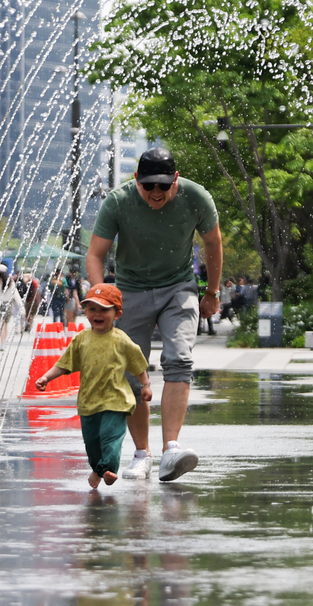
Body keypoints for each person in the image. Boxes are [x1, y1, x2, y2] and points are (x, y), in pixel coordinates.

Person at [87, 147, 221, 483]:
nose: (157, 193)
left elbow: (213, 243)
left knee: (179, 359)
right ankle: (142, 454)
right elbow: (95, 254)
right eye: (149, 187)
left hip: (178, 288)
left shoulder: (195, 197)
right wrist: (102, 295)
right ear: (137, 181)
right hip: (131, 291)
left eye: (164, 185)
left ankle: (171, 449)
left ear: (175, 179)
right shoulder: (118, 202)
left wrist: (212, 292)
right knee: (133, 373)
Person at [35, 284, 151, 488]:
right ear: (85, 311)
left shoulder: (121, 340)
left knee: (110, 438)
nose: (97, 314)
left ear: (117, 314)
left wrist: (146, 385)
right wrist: (46, 377)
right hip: (89, 401)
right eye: (92, 309)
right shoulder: (82, 339)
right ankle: (98, 468)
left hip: (116, 400)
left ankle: (108, 470)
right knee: (91, 444)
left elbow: (138, 364)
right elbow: (64, 364)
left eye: (104, 309)